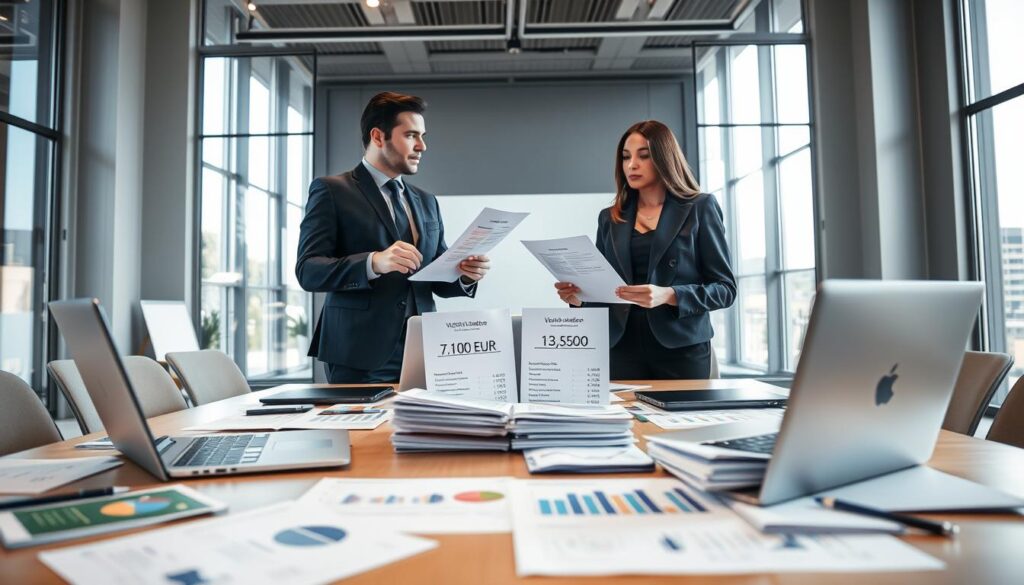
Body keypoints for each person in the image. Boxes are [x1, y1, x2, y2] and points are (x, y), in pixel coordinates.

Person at [296, 92, 491, 383]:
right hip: (358, 353)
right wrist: (373, 262)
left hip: (423, 349)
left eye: (422, 136)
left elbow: (434, 277)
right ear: (378, 136)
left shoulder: (426, 201)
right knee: (365, 431)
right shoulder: (331, 190)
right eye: (411, 135)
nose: (422, 146)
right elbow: (308, 270)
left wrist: (465, 275)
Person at [555, 120, 735, 379]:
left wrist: (669, 295)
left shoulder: (700, 207)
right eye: (625, 157)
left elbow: (725, 290)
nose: (631, 165)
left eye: (644, 156)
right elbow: (605, 291)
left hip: (681, 349)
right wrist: (579, 299)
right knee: (625, 420)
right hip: (621, 348)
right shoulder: (610, 218)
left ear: (664, 158)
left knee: (684, 419)